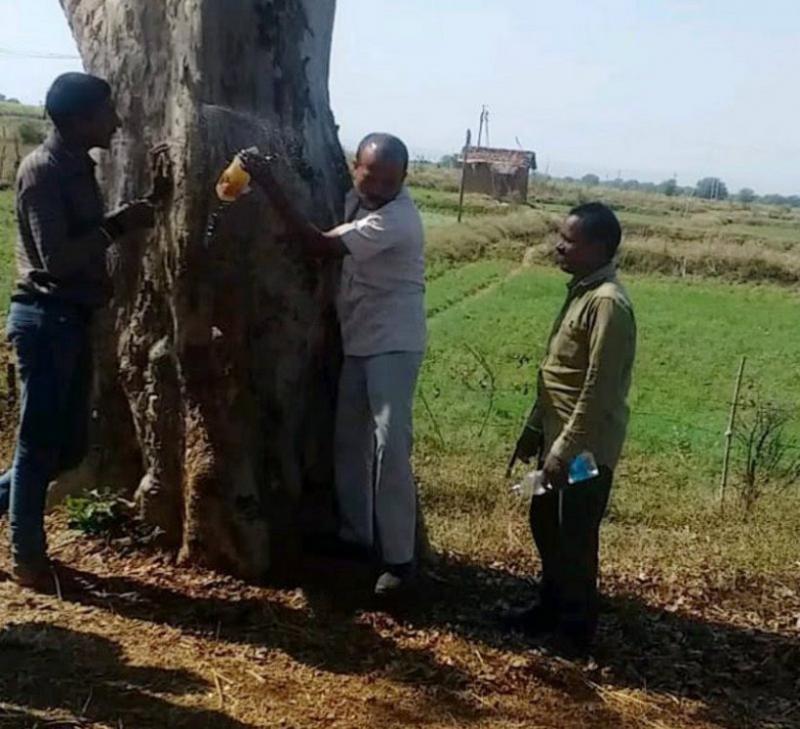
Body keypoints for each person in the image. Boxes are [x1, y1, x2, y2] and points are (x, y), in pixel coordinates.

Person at [240, 133, 426, 596]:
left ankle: (399, 560)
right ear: (354, 167)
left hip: (393, 343)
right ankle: (356, 536)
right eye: (370, 174)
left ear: (403, 179)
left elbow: (317, 245)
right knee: (349, 439)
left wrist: (267, 182)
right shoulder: (352, 200)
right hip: (360, 338)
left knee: (390, 446)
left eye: (389, 179)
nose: (378, 185)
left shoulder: (397, 219)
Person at [0, 73, 159, 588]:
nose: (115, 121)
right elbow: (59, 258)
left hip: (71, 319)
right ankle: (29, 559)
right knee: (37, 446)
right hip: (46, 319)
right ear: (77, 119)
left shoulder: (76, 168)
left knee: (65, 449)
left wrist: (141, 208)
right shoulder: (43, 171)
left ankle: (23, 539)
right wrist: (118, 226)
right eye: (106, 112)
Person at [505, 202, 636, 652]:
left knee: (574, 532)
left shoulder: (607, 305)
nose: (559, 246)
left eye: (569, 240)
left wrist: (564, 451)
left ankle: (575, 630)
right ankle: (549, 607)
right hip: (557, 440)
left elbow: (597, 391)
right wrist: (534, 431)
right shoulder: (581, 290)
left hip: (584, 455)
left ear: (598, 248)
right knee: (545, 520)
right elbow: (556, 376)